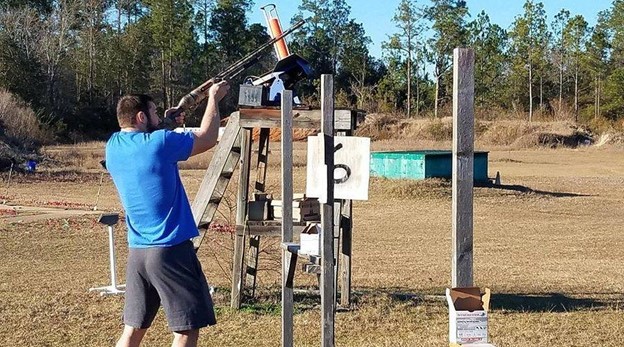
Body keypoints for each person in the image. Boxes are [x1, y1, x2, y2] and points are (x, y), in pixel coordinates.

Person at [105, 80, 230, 347]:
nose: (157, 116)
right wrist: (213, 99)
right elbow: (208, 137)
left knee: (132, 331)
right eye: (152, 112)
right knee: (186, 330)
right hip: (171, 250)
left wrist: (168, 121)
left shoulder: (113, 145)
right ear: (141, 117)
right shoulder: (160, 142)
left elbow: (146, 139)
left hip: (138, 252)